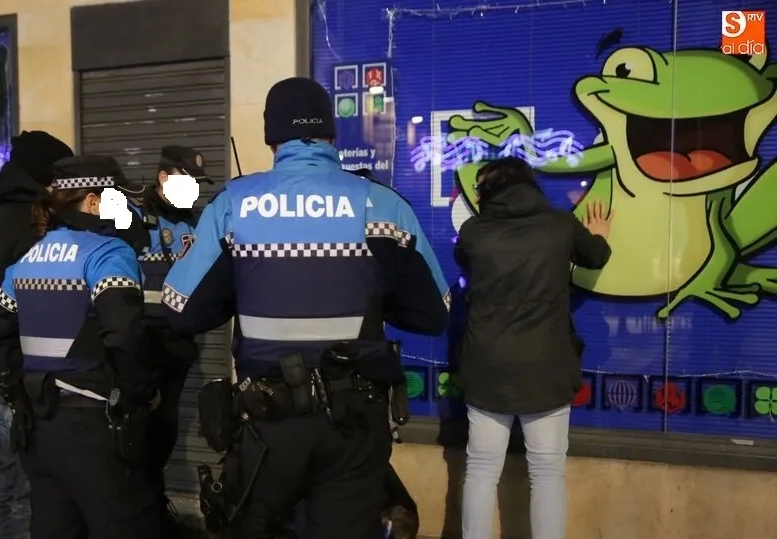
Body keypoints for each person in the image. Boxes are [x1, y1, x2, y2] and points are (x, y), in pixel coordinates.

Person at [161, 76, 450, 539]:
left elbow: (181, 311)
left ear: (271, 137)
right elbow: (433, 313)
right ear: (332, 136)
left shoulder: (235, 205)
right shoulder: (383, 205)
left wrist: (242, 283)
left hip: (267, 427)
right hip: (355, 425)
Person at [0, 155, 162, 539]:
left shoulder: (28, 258)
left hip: (38, 431)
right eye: (119, 198)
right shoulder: (108, 254)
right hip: (91, 429)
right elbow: (125, 334)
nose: (127, 207)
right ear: (94, 202)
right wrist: (142, 395)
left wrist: (16, 393)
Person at [453, 156, 612, 539]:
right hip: (546, 367)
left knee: (480, 470)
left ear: (489, 191)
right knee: (547, 473)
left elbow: (464, 261)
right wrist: (599, 234)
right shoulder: (559, 225)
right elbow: (595, 256)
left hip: (487, 366)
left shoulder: (474, 232)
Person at [0, 130, 73, 539]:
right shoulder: (29, 221)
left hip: (2, 363)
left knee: (11, 469)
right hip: (20, 365)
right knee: (24, 474)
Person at [114, 145, 209, 538]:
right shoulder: (131, 213)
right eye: (189, 183)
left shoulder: (192, 221)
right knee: (138, 437)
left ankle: (152, 510)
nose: (197, 193)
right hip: (142, 345)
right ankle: (138, 518)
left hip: (177, 346)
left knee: (164, 433)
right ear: (164, 177)